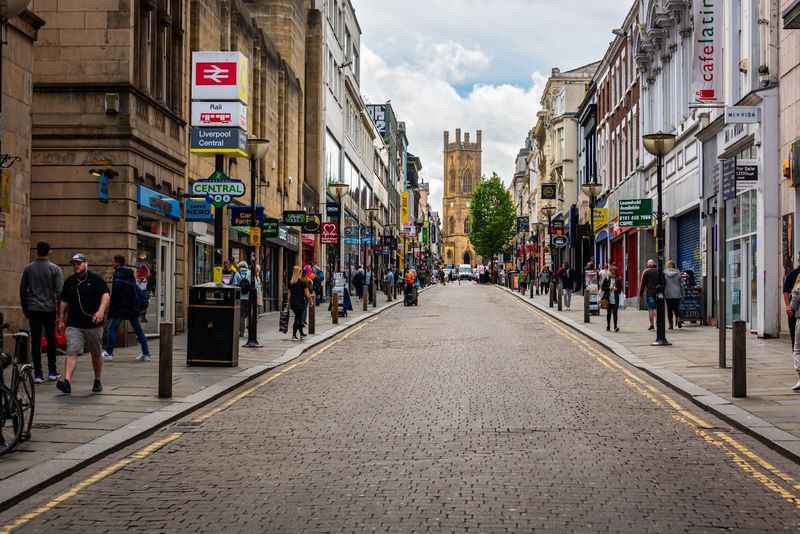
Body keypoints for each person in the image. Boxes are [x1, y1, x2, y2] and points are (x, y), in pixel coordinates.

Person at [56, 254, 110, 394]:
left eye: (79, 263)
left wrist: (100, 311)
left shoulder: (95, 279)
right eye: (74, 264)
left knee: (96, 353)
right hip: (74, 323)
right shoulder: (70, 281)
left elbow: (105, 295)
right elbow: (64, 301)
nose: (76, 266)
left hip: (93, 324)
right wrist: (61, 319)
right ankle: (67, 381)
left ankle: (97, 380)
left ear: (86, 263)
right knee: (72, 351)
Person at [20, 241, 64, 382]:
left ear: (36, 251)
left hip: (33, 309)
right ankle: (52, 371)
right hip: (49, 309)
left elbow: (22, 291)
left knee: (36, 340)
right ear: (49, 252)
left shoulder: (28, 269)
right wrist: (59, 313)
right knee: (51, 340)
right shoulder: (55, 269)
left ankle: (38, 374)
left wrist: (25, 308)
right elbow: (59, 292)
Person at [103, 256, 151, 362]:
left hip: (121, 307)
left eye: (113, 262)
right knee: (138, 331)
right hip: (132, 307)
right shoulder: (130, 273)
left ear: (118, 263)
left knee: (112, 328)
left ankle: (109, 353)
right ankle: (146, 353)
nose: (112, 264)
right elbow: (133, 289)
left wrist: (112, 307)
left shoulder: (118, 274)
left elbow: (116, 292)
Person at [784, 257, 800, 391]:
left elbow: (795, 295)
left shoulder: (798, 277)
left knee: (797, 348)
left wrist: (790, 307)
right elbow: (786, 290)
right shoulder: (793, 274)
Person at [288, 266, 310, 340]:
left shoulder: (291, 282)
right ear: (299, 273)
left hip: (293, 303)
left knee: (299, 318)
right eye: (300, 272)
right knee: (298, 318)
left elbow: (289, 295)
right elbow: (307, 293)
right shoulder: (302, 282)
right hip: (300, 303)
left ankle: (301, 334)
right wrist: (311, 301)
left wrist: (288, 304)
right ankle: (294, 335)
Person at [233, 261, 253, 337]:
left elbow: (234, 285)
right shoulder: (250, 273)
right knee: (249, 315)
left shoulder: (237, 273)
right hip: (249, 297)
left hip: (240, 298)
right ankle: (251, 331)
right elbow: (255, 285)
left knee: (241, 315)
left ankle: (241, 332)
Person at [601, 265, 623, 332]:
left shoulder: (618, 280)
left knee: (615, 312)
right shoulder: (607, 279)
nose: (613, 274)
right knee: (608, 313)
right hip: (608, 298)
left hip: (615, 298)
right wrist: (609, 288)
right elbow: (602, 288)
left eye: (614, 273)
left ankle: (615, 327)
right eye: (611, 272)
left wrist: (617, 289)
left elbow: (620, 289)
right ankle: (608, 326)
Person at [639, 259, 659, 330]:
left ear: (648, 265)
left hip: (650, 293)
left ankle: (651, 324)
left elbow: (642, 284)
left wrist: (640, 293)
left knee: (651, 308)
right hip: (658, 293)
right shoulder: (658, 271)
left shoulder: (646, 272)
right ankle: (658, 324)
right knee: (656, 308)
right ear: (654, 264)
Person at [664, 260, 684, 329]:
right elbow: (681, 283)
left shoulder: (665, 273)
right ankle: (678, 319)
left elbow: (663, 283)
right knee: (676, 308)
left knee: (669, 309)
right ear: (673, 265)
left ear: (667, 266)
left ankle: (670, 324)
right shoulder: (678, 273)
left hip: (668, 293)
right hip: (677, 293)